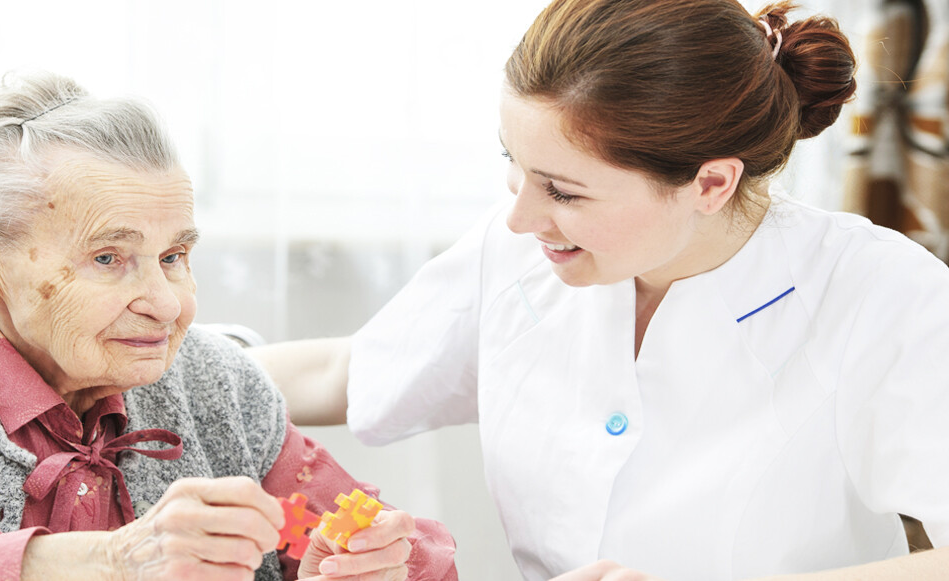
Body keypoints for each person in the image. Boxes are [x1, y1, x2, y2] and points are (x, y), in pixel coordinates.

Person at [251, 1, 949, 579]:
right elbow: (352, 369)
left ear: (711, 183)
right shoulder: (525, 245)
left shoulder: (881, 292)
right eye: (513, 164)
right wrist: (160, 367)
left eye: (563, 189)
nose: (522, 215)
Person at [0, 72, 456, 581]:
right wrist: (115, 560)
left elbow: (348, 532)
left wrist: (373, 562)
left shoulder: (219, 387)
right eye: (109, 257)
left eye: (175, 255)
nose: (167, 302)